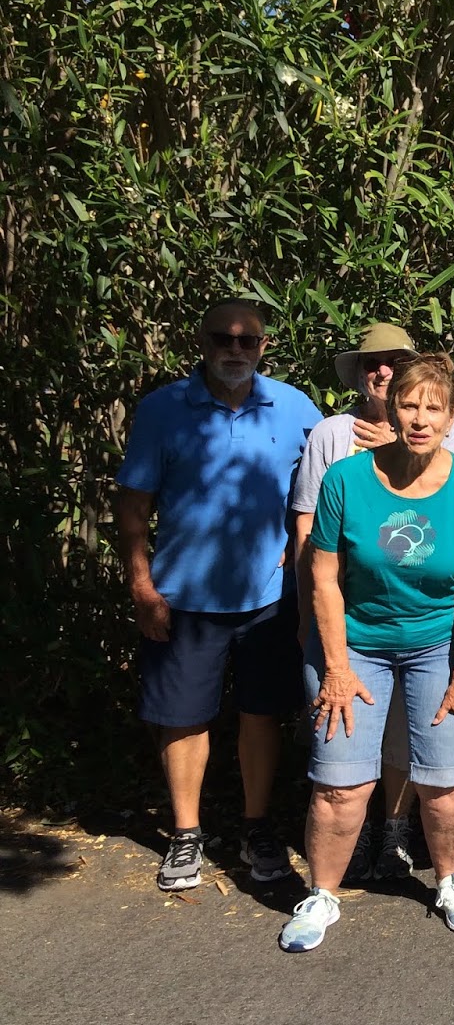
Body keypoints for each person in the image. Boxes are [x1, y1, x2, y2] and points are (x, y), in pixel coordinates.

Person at [278, 353, 454, 952]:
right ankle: (322, 894)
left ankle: (450, 881)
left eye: (434, 408)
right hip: (353, 642)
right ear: (390, 407)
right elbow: (323, 578)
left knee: (447, 781)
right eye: (409, 405)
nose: (420, 419)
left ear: (451, 417)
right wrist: (335, 668)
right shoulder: (345, 480)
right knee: (340, 784)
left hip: (439, 646)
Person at [113, 299, 320, 892]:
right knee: (183, 720)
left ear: (264, 346)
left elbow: (330, 481)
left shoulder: (295, 407)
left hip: (271, 597)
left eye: (247, 340)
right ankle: (185, 835)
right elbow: (133, 505)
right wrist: (141, 584)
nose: (235, 350)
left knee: (262, 714)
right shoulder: (163, 410)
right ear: (202, 342)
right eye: (222, 339)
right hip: (183, 597)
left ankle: (257, 827)